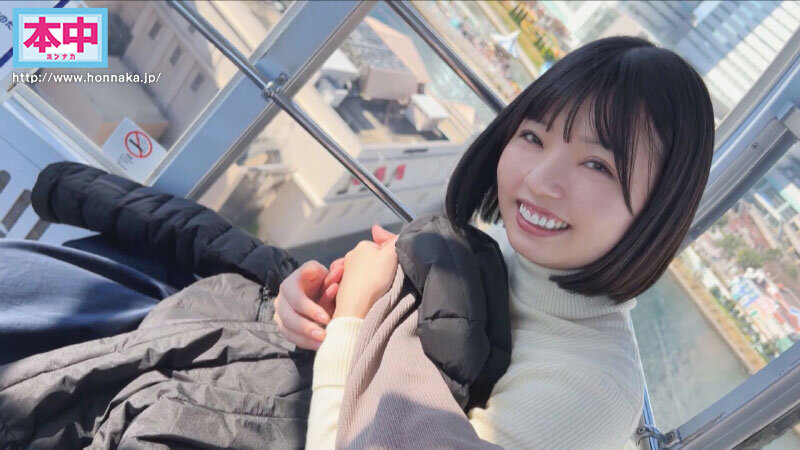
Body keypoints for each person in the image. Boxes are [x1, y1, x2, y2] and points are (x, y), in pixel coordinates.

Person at [275, 36, 715, 448]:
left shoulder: (593, 393)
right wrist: (321, 306)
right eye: (533, 137)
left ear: (660, 209)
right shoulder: (497, 254)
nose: (539, 181)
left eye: (597, 165)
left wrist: (352, 320)